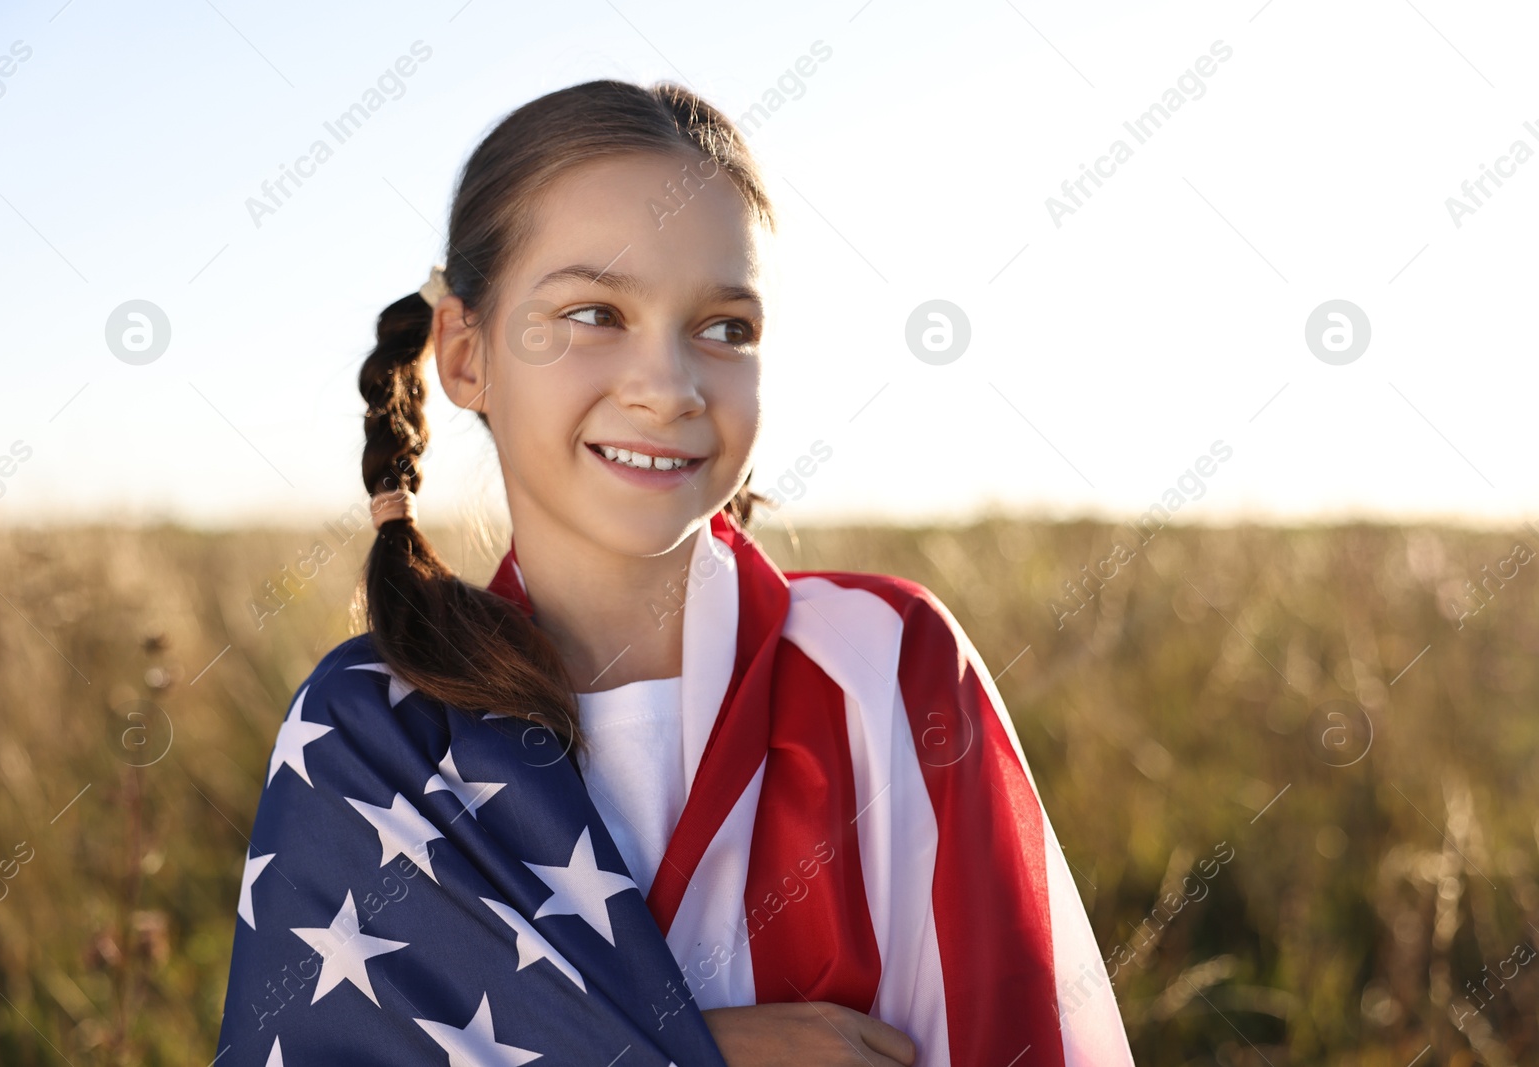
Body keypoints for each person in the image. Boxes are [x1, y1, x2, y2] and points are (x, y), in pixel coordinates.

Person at [214, 78, 1133, 1066]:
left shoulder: (887, 668)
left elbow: (1012, 1035)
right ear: (467, 354)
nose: (669, 386)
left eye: (724, 327)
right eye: (594, 311)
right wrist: (705, 1052)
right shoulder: (371, 730)